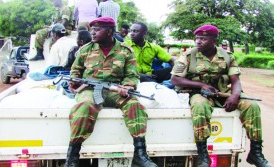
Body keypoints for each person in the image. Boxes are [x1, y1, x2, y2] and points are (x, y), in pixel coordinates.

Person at [171, 24, 273, 167]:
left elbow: (236, 80)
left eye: (203, 39)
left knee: (252, 106)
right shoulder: (188, 55)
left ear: (214, 39)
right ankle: (203, 155)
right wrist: (202, 85)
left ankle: (256, 153)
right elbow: (175, 79)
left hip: (222, 92)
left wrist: (235, 96)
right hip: (200, 93)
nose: (198, 42)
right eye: (197, 38)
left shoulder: (226, 56)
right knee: (199, 106)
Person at [64, 17, 157, 167]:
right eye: (91, 29)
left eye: (96, 30)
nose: (92, 33)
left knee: (135, 105)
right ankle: (72, 157)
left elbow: (132, 74)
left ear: (109, 31)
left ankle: (140, 154)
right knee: (84, 106)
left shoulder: (125, 51)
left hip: (115, 89)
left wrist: (127, 87)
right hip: (90, 89)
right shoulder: (86, 49)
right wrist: (74, 81)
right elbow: (75, 71)